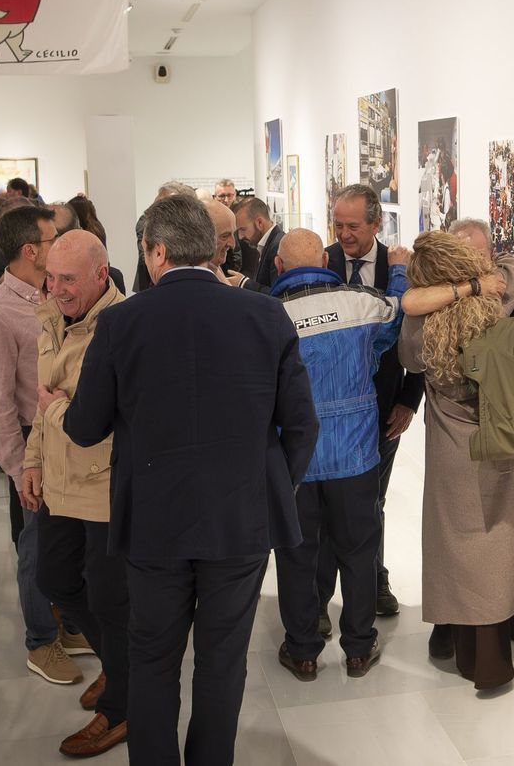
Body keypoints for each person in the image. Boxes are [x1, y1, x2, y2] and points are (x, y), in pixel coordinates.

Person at [64, 194, 318, 766]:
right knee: (223, 662)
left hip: (153, 524)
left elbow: (84, 429)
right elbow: (302, 426)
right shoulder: (264, 314)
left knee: (152, 659)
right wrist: (273, 488)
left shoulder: (121, 322)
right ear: (210, 248)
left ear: (156, 252)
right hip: (240, 521)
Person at [397, 230, 514, 689]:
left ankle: (481, 660)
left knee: (470, 553)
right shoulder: (498, 306)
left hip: (456, 452)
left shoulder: (420, 330)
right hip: (512, 438)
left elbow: (409, 346)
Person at [271, 229, 410, 682]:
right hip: (355, 454)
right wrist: (402, 271)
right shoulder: (359, 303)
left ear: (278, 267)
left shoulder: (269, 316)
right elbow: (397, 314)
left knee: (298, 554)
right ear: (327, 263)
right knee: (357, 550)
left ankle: (304, 650)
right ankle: (357, 646)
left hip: (296, 461)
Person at [25, 230, 131, 756]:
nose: (57, 288)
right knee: (56, 579)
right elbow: (45, 401)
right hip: (56, 482)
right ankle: (120, 667)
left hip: (102, 484)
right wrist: (31, 461)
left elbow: (104, 416)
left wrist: (56, 406)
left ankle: (123, 708)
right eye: (51, 276)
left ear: (100, 274)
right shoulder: (49, 316)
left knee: (111, 600)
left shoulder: (123, 327)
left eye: (69, 279)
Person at [0, 204, 87, 684]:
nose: (56, 244)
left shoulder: (49, 294)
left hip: (63, 436)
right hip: (30, 441)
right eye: (50, 239)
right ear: (28, 250)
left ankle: (68, 622)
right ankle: (41, 641)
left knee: (67, 541)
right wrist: (20, 470)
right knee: (35, 545)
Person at [318, 184, 424, 624]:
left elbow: (416, 339)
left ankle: (375, 581)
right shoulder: (319, 263)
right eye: (338, 224)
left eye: (353, 226)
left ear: (377, 224)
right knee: (324, 507)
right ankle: (319, 599)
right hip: (327, 413)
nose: (343, 234)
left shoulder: (399, 269)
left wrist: (408, 400)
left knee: (372, 503)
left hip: (382, 410)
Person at [234, 197, 282, 289]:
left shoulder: (277, 247)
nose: (240, 237)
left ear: (259, 223)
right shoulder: (271, 243)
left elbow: (278, 295)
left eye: (243, 229)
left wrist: (244, 283)